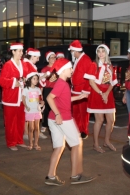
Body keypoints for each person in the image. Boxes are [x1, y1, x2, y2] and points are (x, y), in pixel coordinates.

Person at [45, 58, 95, 186]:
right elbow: (49, 98)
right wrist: (58, 114)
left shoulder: (61, 83)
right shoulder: (62, 83)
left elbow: (64, 99)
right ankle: (75, 176)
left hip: (53, 119)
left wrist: (79, 96)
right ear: (62, 71)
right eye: (70, 68)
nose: (72, 70)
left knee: (59, 147)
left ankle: (50, 176)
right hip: (62, 118)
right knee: (77, 143)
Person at [84, 44, 117, 153]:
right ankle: (96, 144)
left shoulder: (110, 66)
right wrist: (101, 93)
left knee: (111, 120)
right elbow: (91, 81)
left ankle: (107, 141)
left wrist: (106, 93)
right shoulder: (94, 65)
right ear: (97, 53)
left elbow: (113, 82)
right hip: (97, 93)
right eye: (99, 51)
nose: (101, 53)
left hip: (108, 94)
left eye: (103, 51)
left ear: (107, 53)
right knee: (100, 120)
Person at [0, 43, 27, 151]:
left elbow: (27, 76)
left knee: (20, 120)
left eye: (21, 51)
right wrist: (14, 82)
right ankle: (11, 142)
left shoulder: (23, 64)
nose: (21, 53)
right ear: (13, 52)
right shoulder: (8, 65)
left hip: (21, 97)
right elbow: (1, 81)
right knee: (10, 122)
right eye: (19, 51)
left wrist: (24, 80)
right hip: (10, 98)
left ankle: (19, 140)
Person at [69, 40, 91, 139]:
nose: (71, 53)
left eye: (72, 51)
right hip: (75, 90)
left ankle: (84, 131)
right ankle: (77, 128)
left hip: (82, 91)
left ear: (75, 51)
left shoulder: (86, 60)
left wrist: (85, 91)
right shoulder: (77, 59)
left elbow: (89, 77)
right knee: (76, 112)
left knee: (84, 113)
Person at [23, 48, 47, 140]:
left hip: (33, 91)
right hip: (29, 91)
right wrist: (43, 76)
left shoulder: (30, 65)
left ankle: (36, 131)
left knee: (35, 111)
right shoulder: (27, 65)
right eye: (37, 57)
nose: (38, 59)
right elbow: (30, 80)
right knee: (28, 112)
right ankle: (26, 133)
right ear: (32, 56)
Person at [22, 72, 44, 151]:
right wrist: (26, 106)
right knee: (31, 128)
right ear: (29, 79)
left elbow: (40, 99)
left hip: (37, 111)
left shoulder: (38, 89)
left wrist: (42, 102)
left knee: (37, 128)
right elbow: (23, 99)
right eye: (34, 79)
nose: (36, 80)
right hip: (30, 111)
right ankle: (30, 144)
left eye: (37, 79)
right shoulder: (26, 89)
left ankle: (36, 144)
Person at [40, 51, 58, 134]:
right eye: (51, 57)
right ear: (48, 59)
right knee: (47, 108)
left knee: (56, 108)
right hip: (48, 90)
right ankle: (44, 124)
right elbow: (41, 82)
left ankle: (54, 124)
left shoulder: (57, 68)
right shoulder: (45, 69)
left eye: (54, 57)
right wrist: (41, 95)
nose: (53, 59)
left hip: (57, 90)